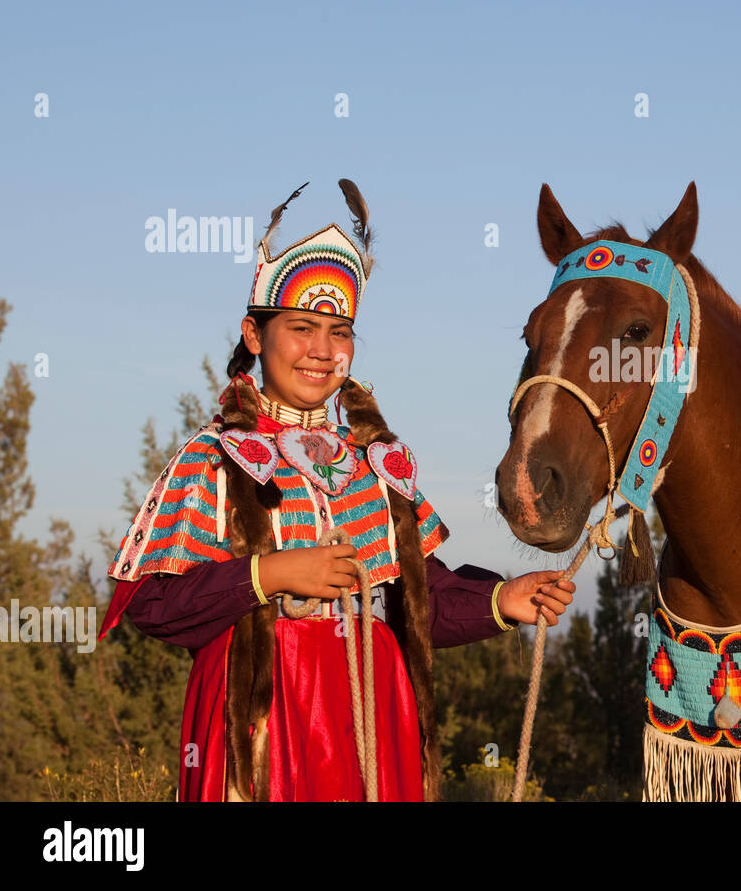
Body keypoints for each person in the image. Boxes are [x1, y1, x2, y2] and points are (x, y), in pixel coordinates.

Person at [100, 180, 575, 800]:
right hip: (261, 714)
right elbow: (153, 606)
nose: (323, 352)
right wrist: (267, 576)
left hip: (372, 711)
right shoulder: (212, 458)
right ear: (253, 334)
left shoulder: (372, 461)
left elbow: (416, 597)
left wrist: (501, 600)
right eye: (302, 328)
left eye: (340, 332)